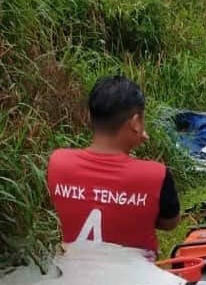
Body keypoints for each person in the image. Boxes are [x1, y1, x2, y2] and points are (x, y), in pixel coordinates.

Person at [46, 75, 181, 261]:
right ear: (135, 123)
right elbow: (170, 223)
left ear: (90, 117)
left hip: (74, 281)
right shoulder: (156, 175)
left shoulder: (58, 163)